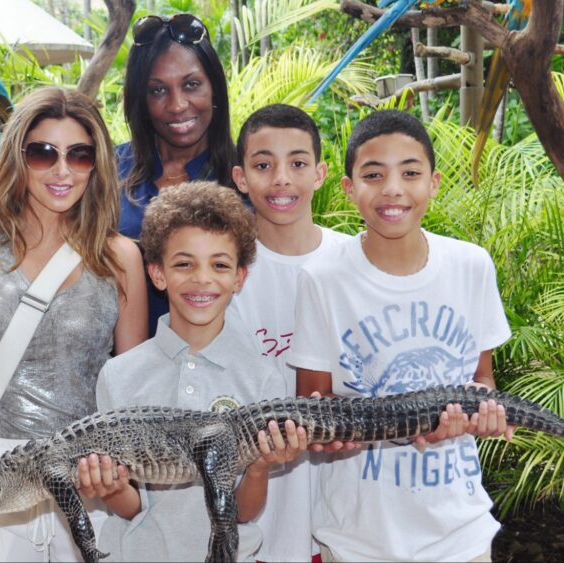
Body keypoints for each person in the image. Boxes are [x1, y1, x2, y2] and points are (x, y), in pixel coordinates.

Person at [0, 86, 148, 561]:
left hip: (84, 479)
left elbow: (129, 395)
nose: (63, 170)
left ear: (98, 163)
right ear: (17, 157)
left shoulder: (119, 257)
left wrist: (123, 485)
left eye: (80, 155)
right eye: (44, 153)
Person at [288, 110, 515, 562]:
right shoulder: (321, 278)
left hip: (458, 532)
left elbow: (482, 379)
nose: (392, 188)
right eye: (374, 174)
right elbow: (310, 407)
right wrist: (327, 434)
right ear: (350, 188)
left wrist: (479, 413)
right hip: (357, 540)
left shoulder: (471, 265)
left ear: (434, 181)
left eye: (410, 172)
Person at [94, 180, 307, 561]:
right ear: (157, 274)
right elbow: (131, 507)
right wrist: (109, 487)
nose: (202, 279)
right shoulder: (119, 375)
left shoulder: (263, 378)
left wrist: (259, 468)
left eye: (219, 264)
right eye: (184, 263)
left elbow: (244, 512)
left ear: (239, 278)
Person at [226, 104, 352, 562]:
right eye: (264, 165)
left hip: (349, 517)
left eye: (297, 163)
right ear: (241, 177)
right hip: (264, 521)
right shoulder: (224, 276)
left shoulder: (354, 262)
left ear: (319, 173)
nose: (281, 178)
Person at [119, 13, 237, 336]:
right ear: (141, 100)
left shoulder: (245, 176)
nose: (177, 104)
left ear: (215, 88)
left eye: (191, 84)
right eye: (157, 90)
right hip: (119, 371)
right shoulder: (108, 171)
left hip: (226, 373)